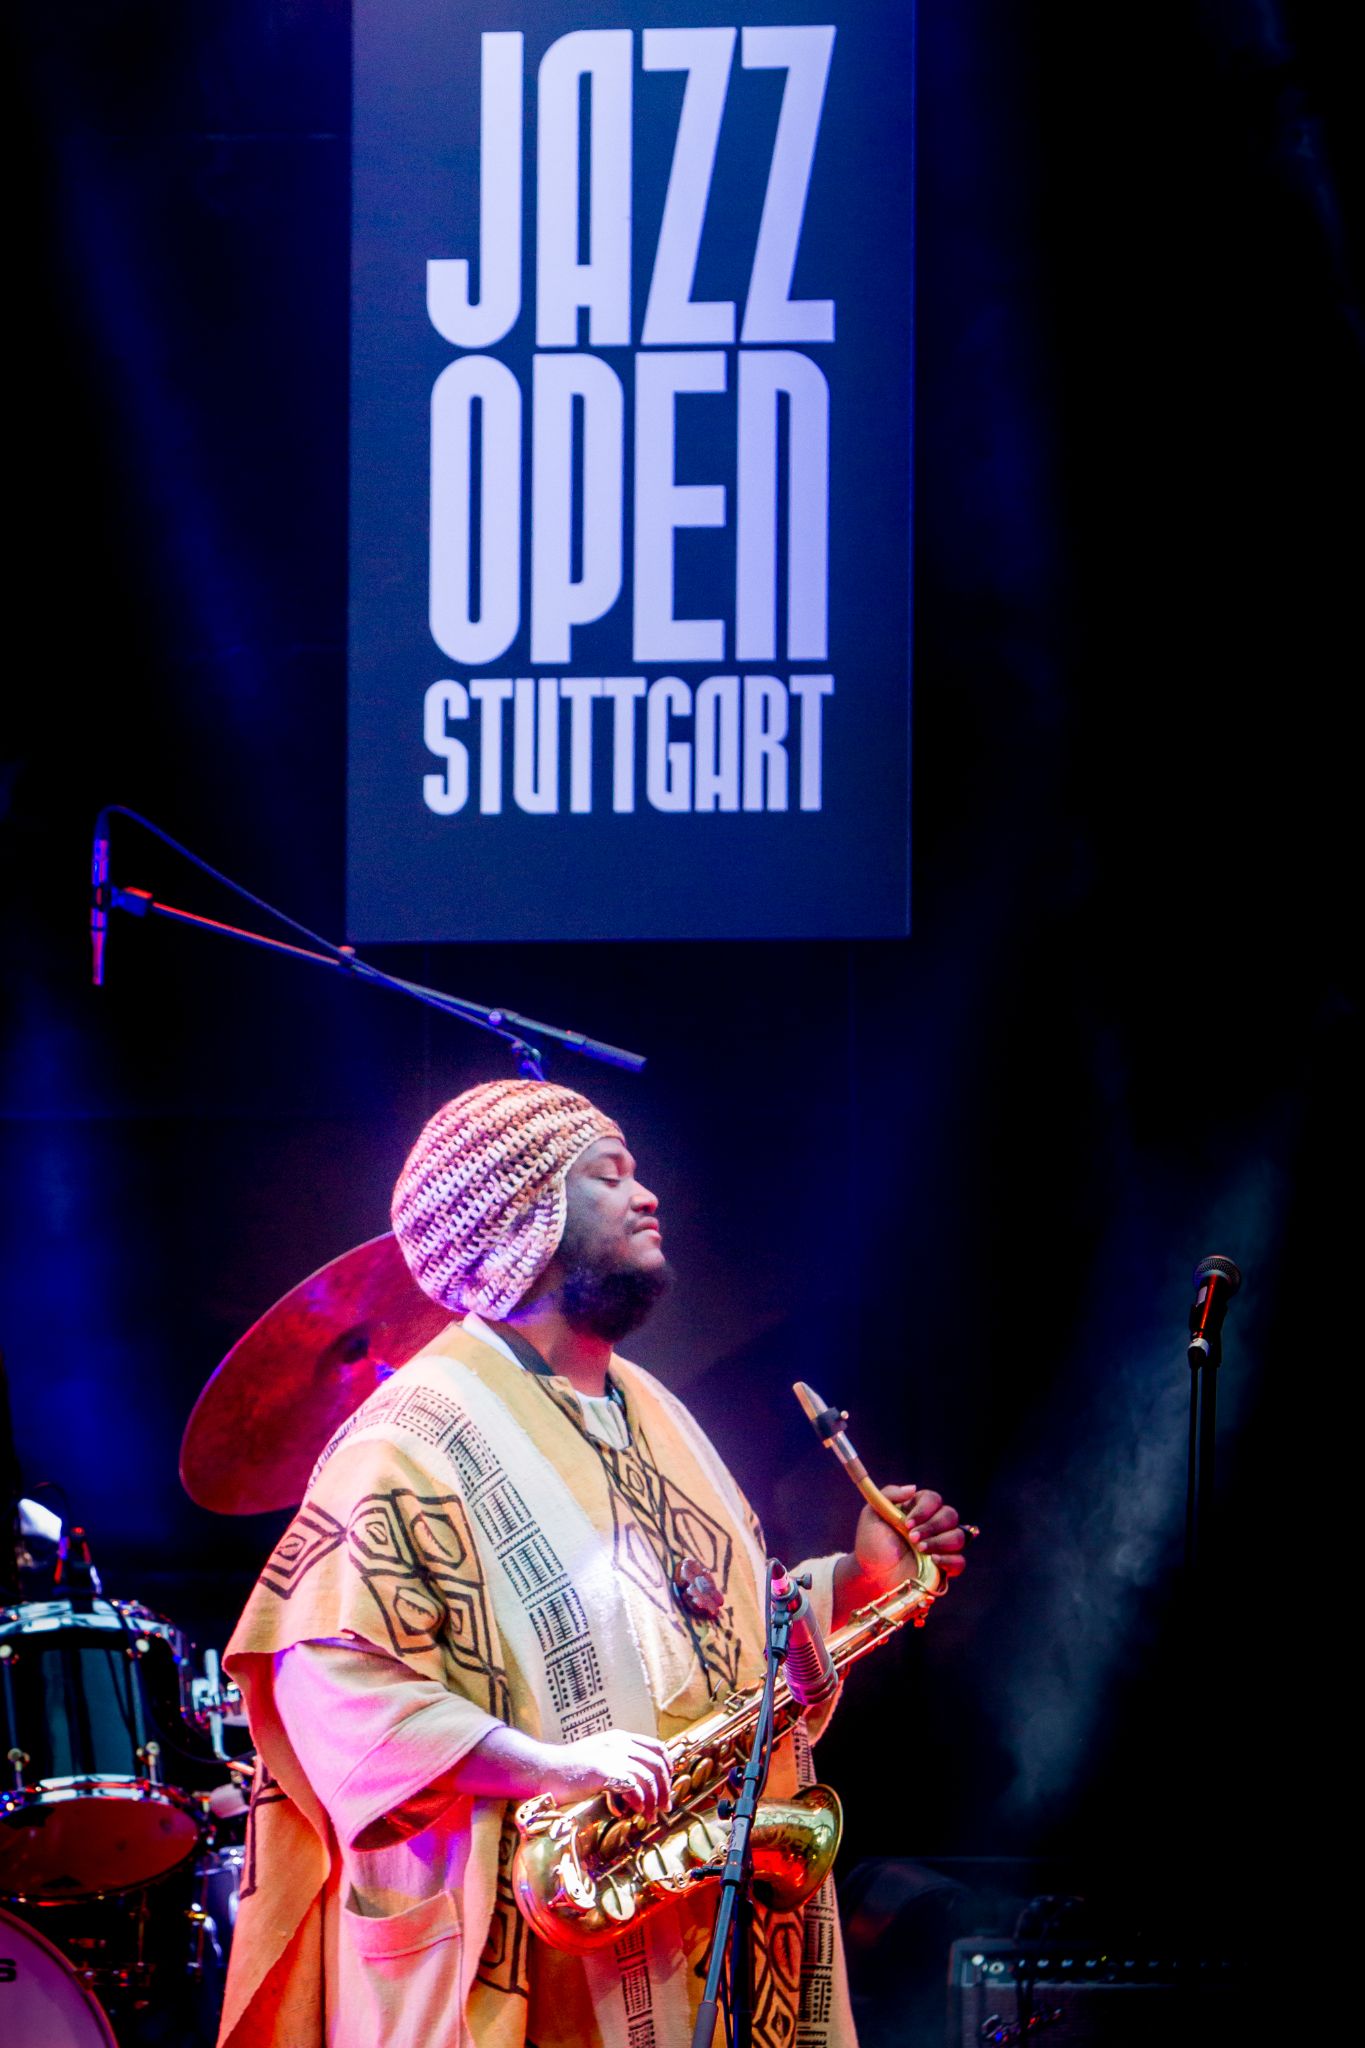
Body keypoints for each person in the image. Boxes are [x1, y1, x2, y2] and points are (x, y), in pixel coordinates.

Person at [217, 1080, 966, 2048]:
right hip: (530, 1971)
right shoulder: (401, 1443)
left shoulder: (653, 1408)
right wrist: (551, 1761)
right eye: (609, 1175)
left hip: (711, 1943)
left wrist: (860, 1582)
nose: (647, 1194)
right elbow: (332, 1686)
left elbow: (719, 1629)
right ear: (522, 1217)